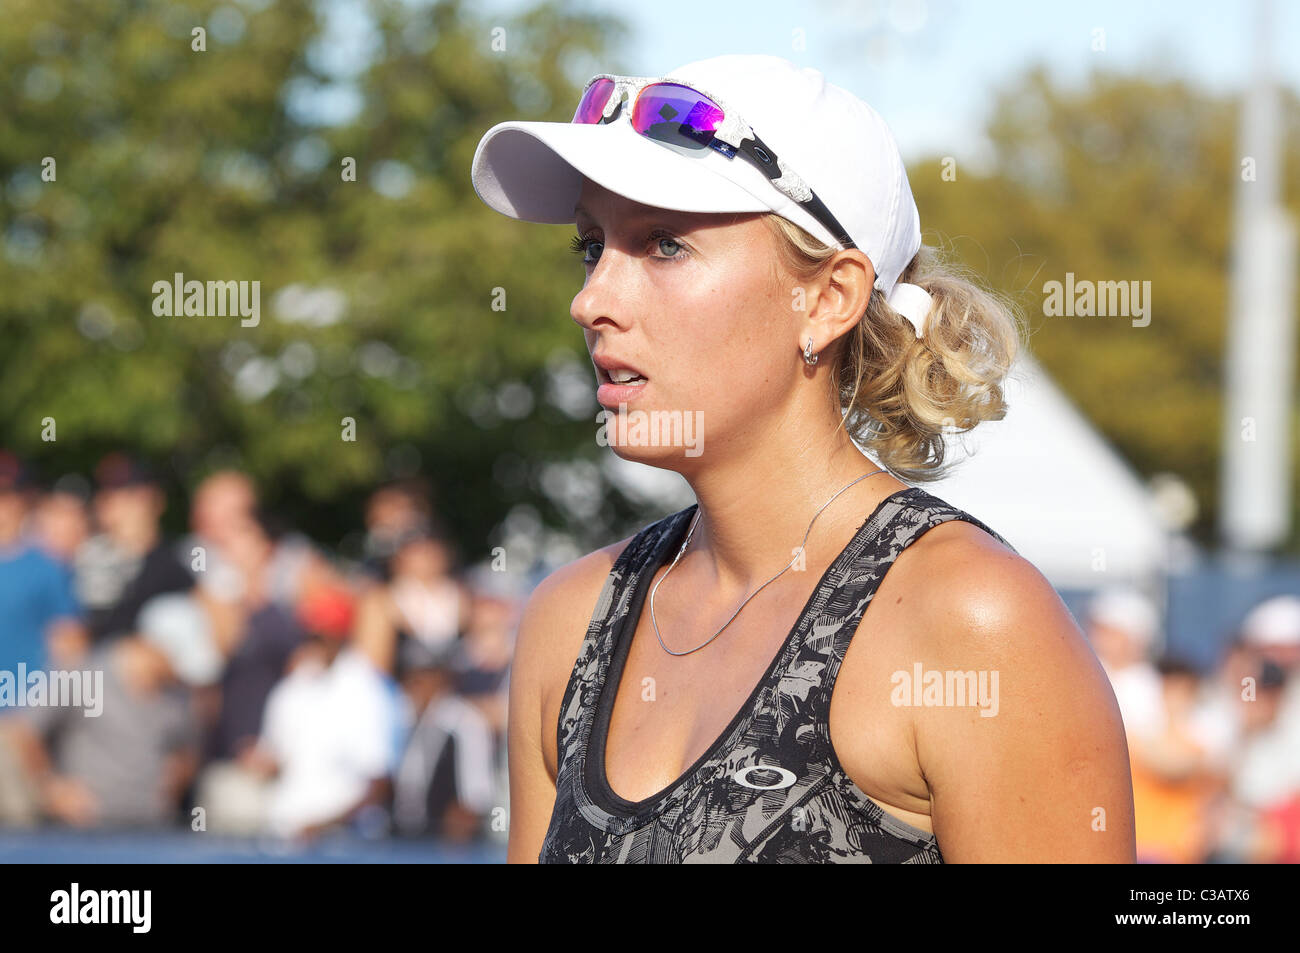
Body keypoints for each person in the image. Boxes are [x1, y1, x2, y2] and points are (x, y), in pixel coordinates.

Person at [471, 53, 1134, 863]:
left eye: (665, 245)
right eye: (591, 246)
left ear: (828, 299)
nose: (592, 300)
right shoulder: (570, 622)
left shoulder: (970, 620)